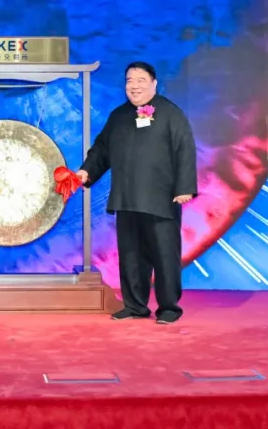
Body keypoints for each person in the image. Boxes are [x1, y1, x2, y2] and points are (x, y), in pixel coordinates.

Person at [76, 61, 197, 324]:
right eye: (130, 81)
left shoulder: (171, 113)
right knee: (131, 256)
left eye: (141, 80)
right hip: (127, 197)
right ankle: (135, 305)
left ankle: (169, 307)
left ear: (154, 83)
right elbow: (102, 149)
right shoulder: (118, 116)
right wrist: (87, 171)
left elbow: (185, 149)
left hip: (161, 198)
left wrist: (184, 187)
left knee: (164, 255)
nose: (134, 86)